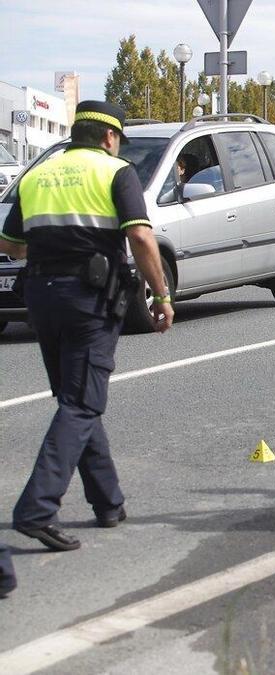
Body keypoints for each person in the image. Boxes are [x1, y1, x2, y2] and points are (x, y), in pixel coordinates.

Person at [0, 101, 174, 553]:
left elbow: (11, 245)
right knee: (81, 403)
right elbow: (140, 236)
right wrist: (161, 295)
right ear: (109, 138)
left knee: (75, 399)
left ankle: (108, 502)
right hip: (90, 298)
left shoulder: (38, 177)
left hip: (40, 295)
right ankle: (37, 509)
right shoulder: (116, 172)